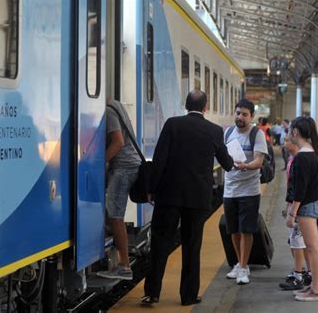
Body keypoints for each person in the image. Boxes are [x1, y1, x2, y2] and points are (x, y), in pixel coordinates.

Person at [142, 90, 234, 306]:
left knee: (159, 244)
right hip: (197, 198)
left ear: (185, 105)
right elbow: (227, 163)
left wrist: (151, 188)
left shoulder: (172, 124)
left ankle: (152, 293)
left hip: (169, 195)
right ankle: (188, 296)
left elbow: (159, 159)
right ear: (205, 107)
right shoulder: (213, 130)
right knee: (192, 246)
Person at [223, 99, 268, 285]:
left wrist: (245, 166)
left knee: (246, 230)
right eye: (238, 113)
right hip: (229, 189)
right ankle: (240, 263)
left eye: (244, 114)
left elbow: (259, 161)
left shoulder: (257, 134)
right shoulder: (228, 133)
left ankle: (243, 266)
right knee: (233, 230)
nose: (240, 117)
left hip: (249, 190)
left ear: (251, 117)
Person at [97, 99, 142, 280]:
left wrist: (99, 164)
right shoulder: (117, 105)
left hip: (124, 167)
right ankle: (118, 262)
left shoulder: (108, 111)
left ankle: (124, 266)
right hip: (125, 166)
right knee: (112, 214)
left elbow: (118, 142)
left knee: (116, 216)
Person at [286, 116, 318, 302]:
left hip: (308, 206)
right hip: (314, 203)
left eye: (289, 131)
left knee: (312, 247)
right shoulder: (312, 152)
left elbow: (300, 190)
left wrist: (292, 212)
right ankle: (313, 286)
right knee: (311, 248)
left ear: (295, 132)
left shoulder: (303, 156)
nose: (288, 134)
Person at [279, 132, 311, 291]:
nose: (283, 142)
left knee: (297, 242)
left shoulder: (299, 160)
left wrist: (292, 212)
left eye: (286, 140)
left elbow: (298, 188)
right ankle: (306, 272)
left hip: (300, 208)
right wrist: (287, 206)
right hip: (295, 205)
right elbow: (291, 186)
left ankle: (299, 275)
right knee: (298, 242)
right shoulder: (292, 159)